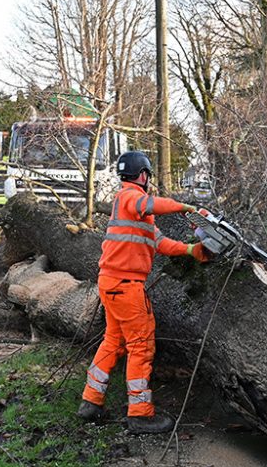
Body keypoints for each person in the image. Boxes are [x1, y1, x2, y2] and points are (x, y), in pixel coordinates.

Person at [77, 151, 211, 435]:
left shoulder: (134, 213)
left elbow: (160, 243)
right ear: (143, 175)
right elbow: (150, 203)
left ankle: (91, 401)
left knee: (114, 340)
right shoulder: (129, 197)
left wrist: (191, 250)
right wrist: (185, 207)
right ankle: (139, 413)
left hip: (112, 283)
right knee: (141, 345)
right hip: (125, 286)